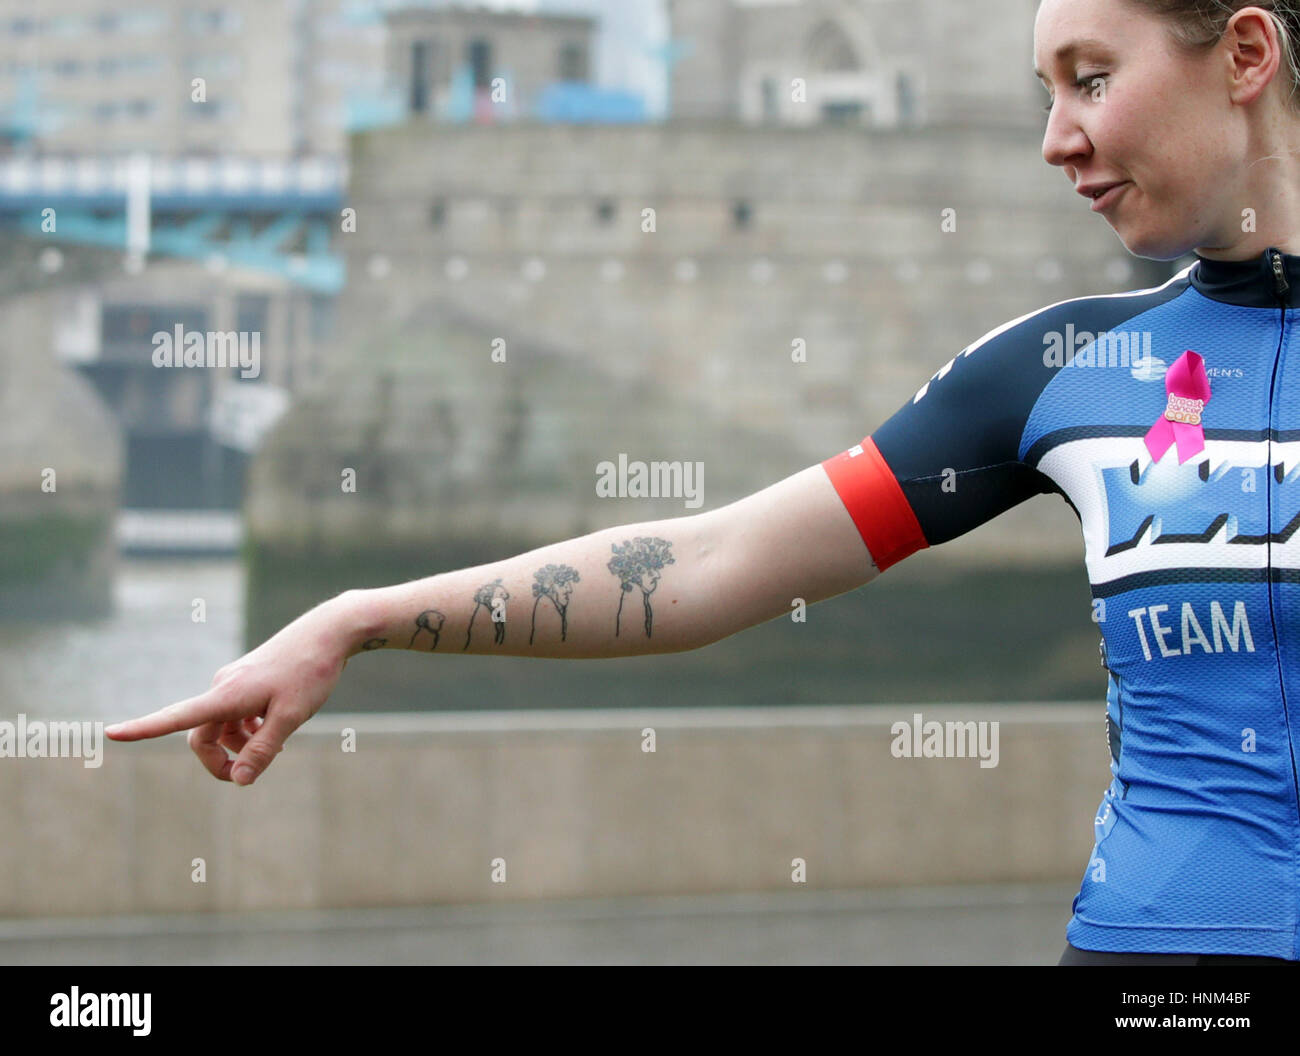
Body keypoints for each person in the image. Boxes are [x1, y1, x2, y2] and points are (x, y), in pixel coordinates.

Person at [107, 0, 1300, 965]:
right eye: (1042, 95)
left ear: (1243, 54)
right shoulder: (1063, 370)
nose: (1056, 139)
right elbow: (710, 565)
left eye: (1089, 80)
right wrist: (354, 619)